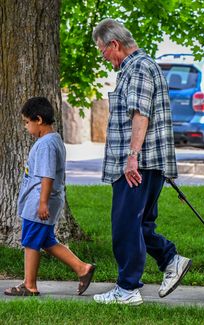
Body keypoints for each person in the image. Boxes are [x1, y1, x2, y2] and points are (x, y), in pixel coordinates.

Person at [91, 19, 191, 305]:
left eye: (103, 52)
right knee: (140, 226)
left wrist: (132, 157)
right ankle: (171, 260)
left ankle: (127, 289)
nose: (104, 58)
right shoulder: (141, 67)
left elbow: (140, 114)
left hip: (139, 165)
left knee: (124, 225)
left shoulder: (137, 68)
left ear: (114, 45)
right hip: (147, 164)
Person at [4, 97, 95, 297]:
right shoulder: (53, 140)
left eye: (27, 122)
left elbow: (47, 175)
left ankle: (29, 286)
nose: (26, 127)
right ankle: (82, 268)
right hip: (42, 199)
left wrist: (42, 203)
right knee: (46, 240)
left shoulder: (45, 144)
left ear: (38, 119)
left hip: (40, 200)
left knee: (30, 242)